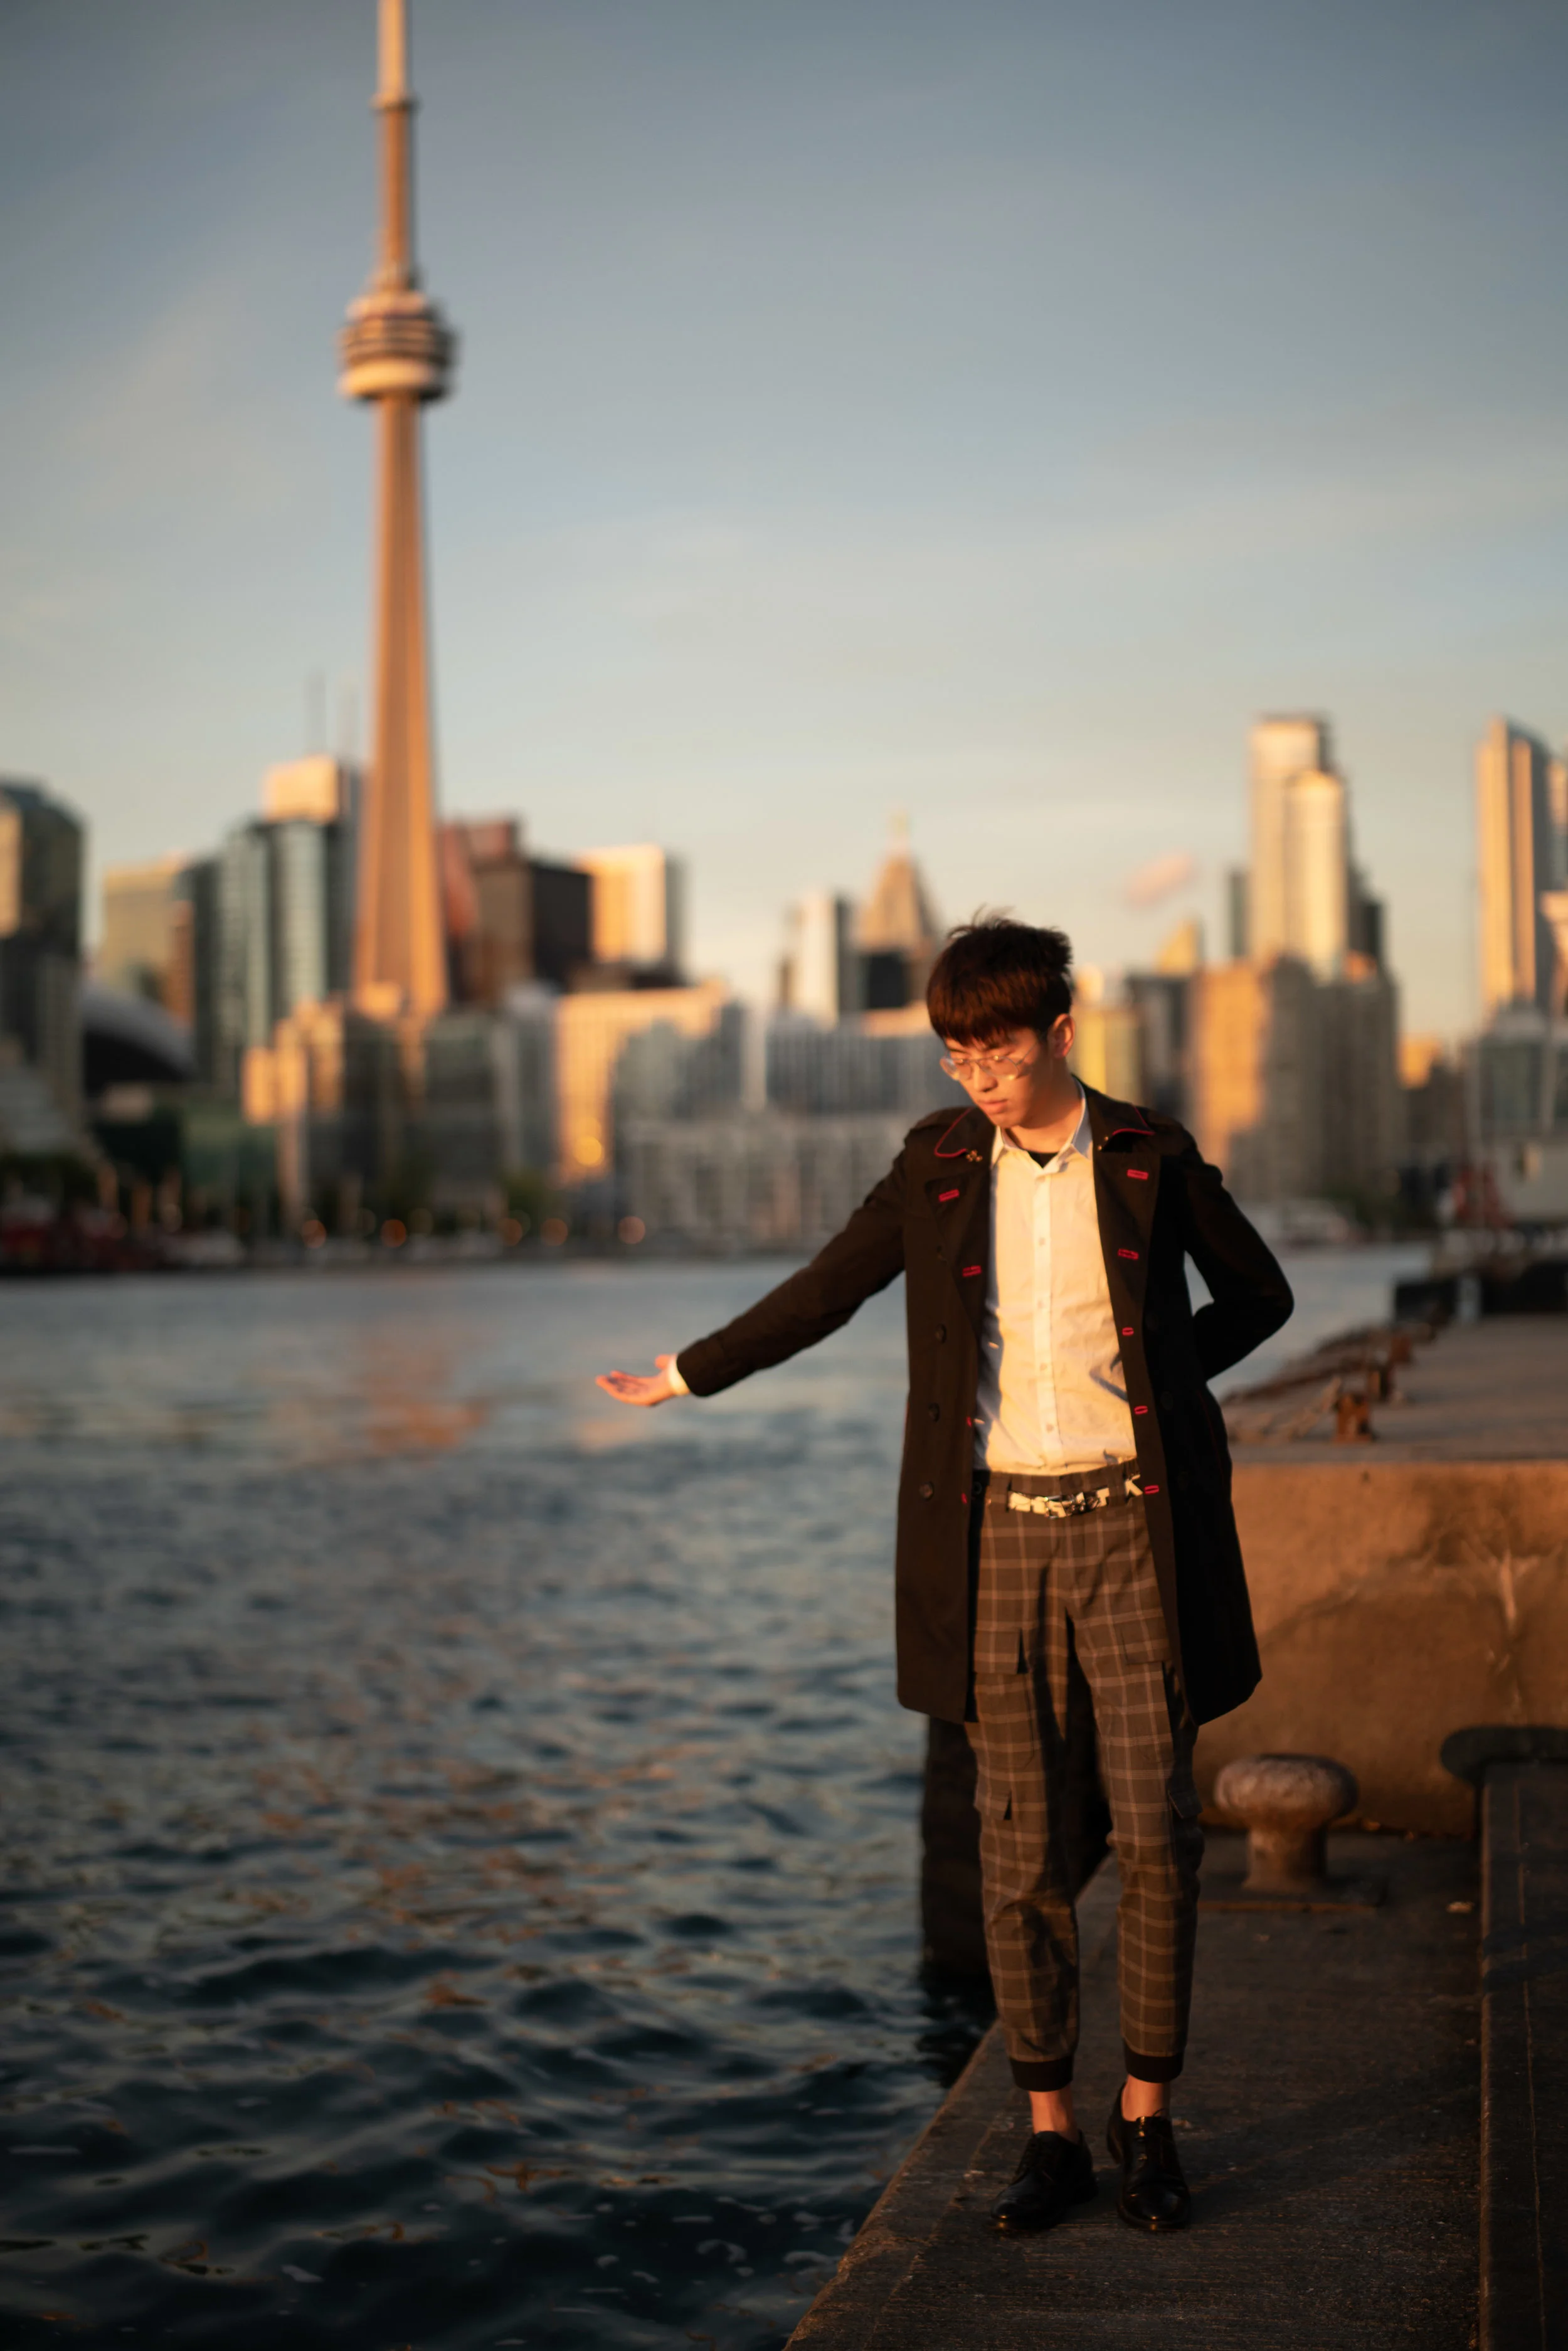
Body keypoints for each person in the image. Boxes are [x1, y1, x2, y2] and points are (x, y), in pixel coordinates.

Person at [597, 916, 1291, 2236]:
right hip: (996, 1535)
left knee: (1156, 1833)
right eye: (957, 1056)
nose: (979, 1079)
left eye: (999, 1052)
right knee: (1015, 1849)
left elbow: (1261, 1295)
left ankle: (1146, 2119)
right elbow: (826, 1289)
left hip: (1128, 1526)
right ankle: (1049, 2134)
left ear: (1060, 1033)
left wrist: (1157, 1380)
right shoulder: (937, 1163)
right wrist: (687, 1374)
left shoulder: (1146, 1154)